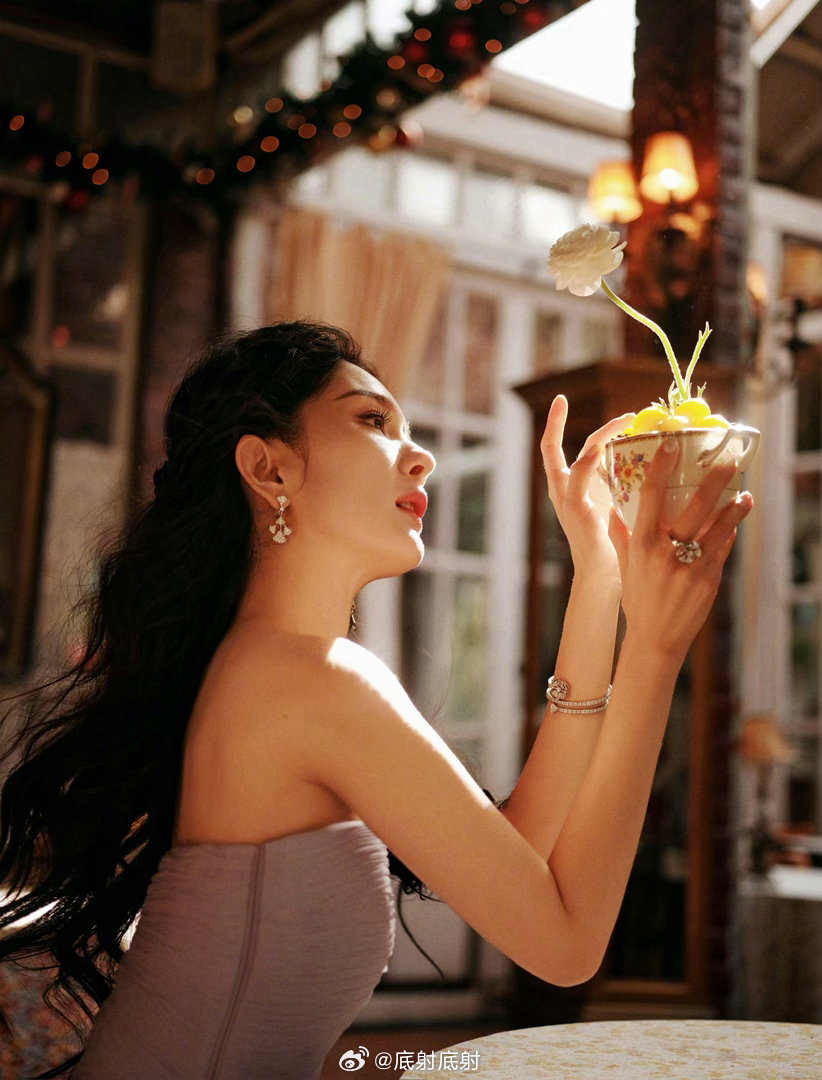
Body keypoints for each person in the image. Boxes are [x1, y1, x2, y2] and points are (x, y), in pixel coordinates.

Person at [0, 321, 753, 1079]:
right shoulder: (307, 679)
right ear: (268, 468)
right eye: (372, 421)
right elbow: (565, 945)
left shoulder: (286, 669)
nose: (421, 456)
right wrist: (655, 650)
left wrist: (599, 577)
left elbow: (518, 853)